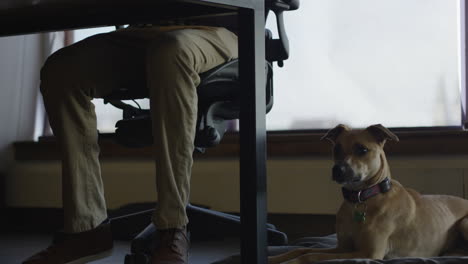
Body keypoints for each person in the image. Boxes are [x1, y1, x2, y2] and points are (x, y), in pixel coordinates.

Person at [22, 25, 238, 264]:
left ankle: (173, 227)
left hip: (217, 28)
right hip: (144, 31)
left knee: (171, 50)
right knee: (62, 69)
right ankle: (86, 229)